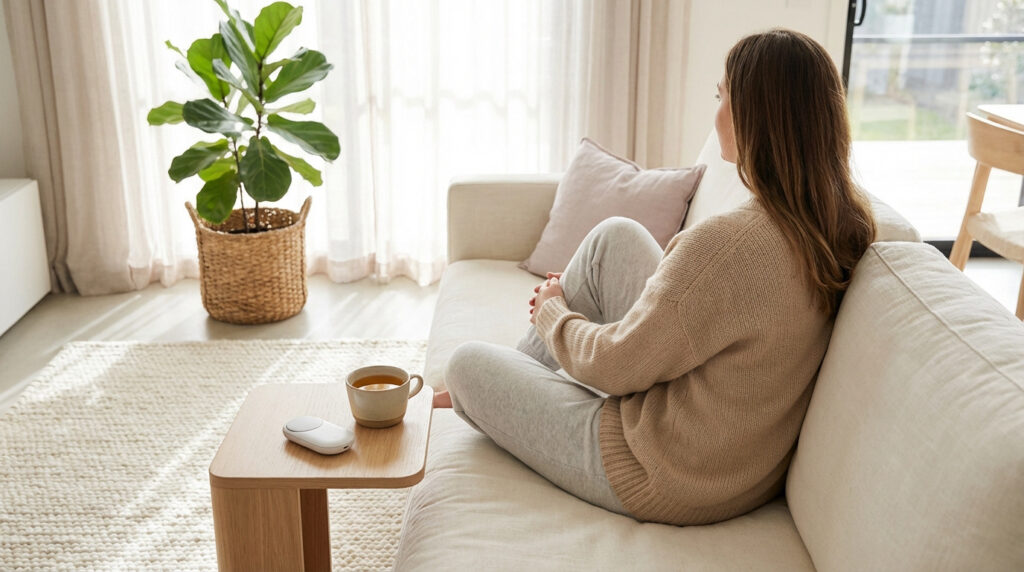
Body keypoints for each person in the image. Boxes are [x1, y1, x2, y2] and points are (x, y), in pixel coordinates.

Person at [433, 28, 877, 526]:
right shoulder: (838, 223)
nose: (716, 115)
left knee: (465, 365)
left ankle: (494, 385)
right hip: (738, 464)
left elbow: (615, 367)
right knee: (615, 237)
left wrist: (553, 313)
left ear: (755, 117)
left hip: (661, 472)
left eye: (721, 97)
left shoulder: (728, 244)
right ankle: (519, 375)